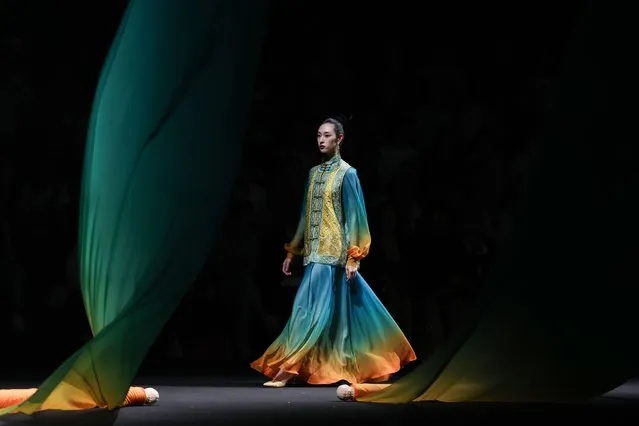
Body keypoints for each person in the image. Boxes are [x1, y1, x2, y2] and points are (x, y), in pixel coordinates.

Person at [250, 118, 416, 387]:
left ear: (340, 139)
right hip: (314, 252)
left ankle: (288, 369)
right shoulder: (313, 173)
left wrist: (353, 256)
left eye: (327, 135)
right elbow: (305, 214)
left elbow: (355, 216)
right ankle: (320, 365)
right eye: (318, 135)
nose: (321, 140)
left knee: (308, 309)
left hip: (334, 252)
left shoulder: (347, 173)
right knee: (331, 316)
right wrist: (293, 250)